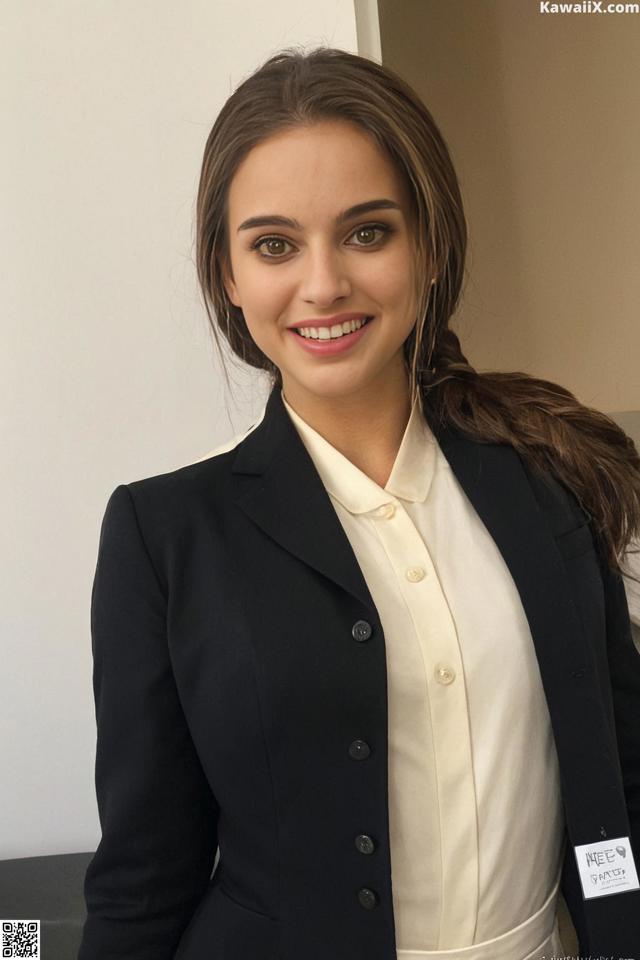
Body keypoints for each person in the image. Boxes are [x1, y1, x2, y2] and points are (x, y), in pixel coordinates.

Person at [78, 46, 640, 960]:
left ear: (428, 244)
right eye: (273, 245)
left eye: (367, 232)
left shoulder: (546, 476)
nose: (323, 284)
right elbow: (144, 874)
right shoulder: (164, 536)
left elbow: (621, 770)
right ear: (228, 275)